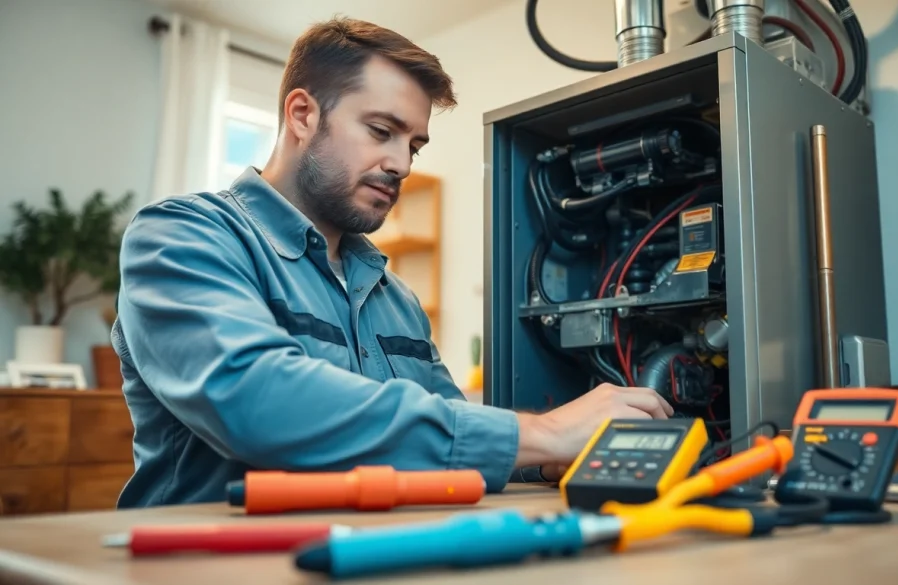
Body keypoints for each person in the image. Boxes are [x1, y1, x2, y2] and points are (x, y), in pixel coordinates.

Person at [112, 16, 673, 509]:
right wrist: (545, 433)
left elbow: (444, 437)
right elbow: (258, 403)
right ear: (303, 115)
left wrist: (553, 454)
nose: (401, 163)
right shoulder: (182, 236)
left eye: (415, 145)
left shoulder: (395, 299)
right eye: (381, 131)